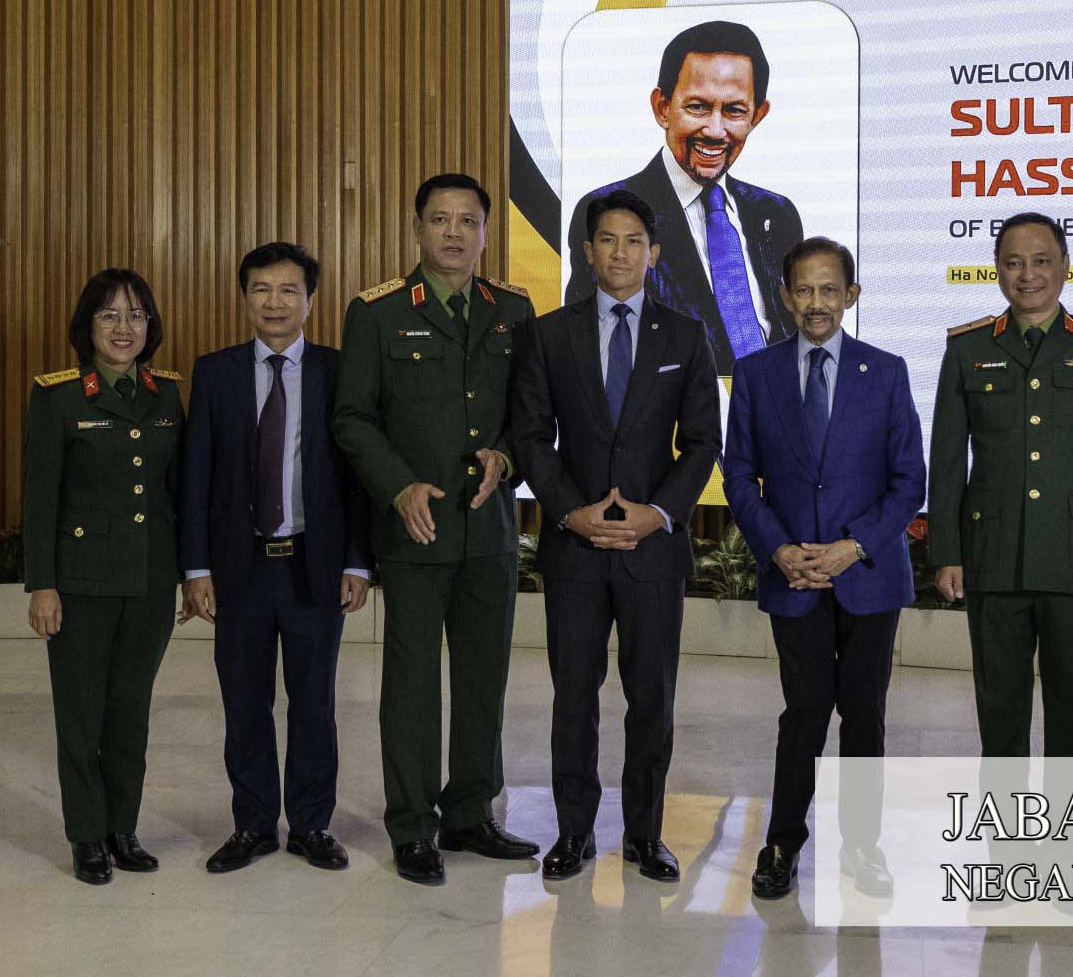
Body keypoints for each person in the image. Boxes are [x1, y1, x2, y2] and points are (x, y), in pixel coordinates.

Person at [332, 173, 540, 885]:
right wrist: (397, 486)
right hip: (415, 533)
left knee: (484, 679)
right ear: (416, 228)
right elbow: (352, 418)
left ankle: (471, 814)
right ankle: (414, 825)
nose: (454, 232)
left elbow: (530, 415)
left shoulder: (514, 309)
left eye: (468, 220)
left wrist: (506, 457)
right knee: (413, 685)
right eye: (440, 219)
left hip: (489, 531)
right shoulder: (378, 312)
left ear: (485, 232)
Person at [512, 189, 721, 883]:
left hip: (652, 551)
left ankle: (644, 834)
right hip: (574, 550)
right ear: (588, 250)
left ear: (654, 254)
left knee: (651, 701)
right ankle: (573, 833)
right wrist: (570, 511)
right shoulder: (550, 333)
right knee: (573, 698)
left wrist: (656, 513)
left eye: (634, 241)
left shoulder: (685, 335)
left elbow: (701, 442)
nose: (621, 253)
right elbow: (532, 437)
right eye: (608, 240)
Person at [722, 236, 926, 901]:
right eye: (805, 290)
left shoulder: (886, 372)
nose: (817, 303)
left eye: (830, 290)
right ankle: (782, 843)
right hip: (793, 576)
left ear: (851, 295)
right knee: (804, 712)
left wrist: (851, 547)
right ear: (785, 296)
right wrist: (779, 549)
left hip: (868, 576)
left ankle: (863, 847)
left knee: (864, 714)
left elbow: (909, 481)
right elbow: (738, 476)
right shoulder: (756, 374)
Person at [179, 242, 373, 874]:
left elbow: (356, 475)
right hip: (240, 567)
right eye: (261, 289)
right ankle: (254, 824)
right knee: (244, 703)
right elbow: (196, 475)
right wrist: (197, 568)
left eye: (289, 290)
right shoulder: (216, 373)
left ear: (310, 301)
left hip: (314, 565)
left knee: (314, 703)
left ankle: (312, 825)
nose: (275, 302)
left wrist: (357, 561)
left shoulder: (338, 371)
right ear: (244, 298)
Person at [925, 213, 1073, 757]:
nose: (1028, 275)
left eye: (1042, 261)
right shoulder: (967, 348)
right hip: (994, 558)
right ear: (997, 269)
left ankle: (1068, 817)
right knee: (999, 717)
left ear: (1066, 266)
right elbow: (948, 462)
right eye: (1014, 263)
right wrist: (947, 552)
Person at [22, 268, 185, 885]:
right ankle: (87, 834)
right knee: (81, 715)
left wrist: (191, 573)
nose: (123, 327)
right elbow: (40, 498)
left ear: (151, 326)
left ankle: (123, 828)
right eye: (109, 315)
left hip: (149, 580)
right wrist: (42, 584)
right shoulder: (58, 396)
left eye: (136, 315)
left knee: (130, 712)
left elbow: (177, 493)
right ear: (86, 326)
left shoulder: (167, 395)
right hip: (81, 583)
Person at [563, 20, 804, 372]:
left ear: (757, 115)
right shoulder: (606, 211)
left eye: (735, 110)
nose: (716, 130)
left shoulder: (777, 213)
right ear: (662, 107)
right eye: (698, 107)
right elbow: (588, 351)